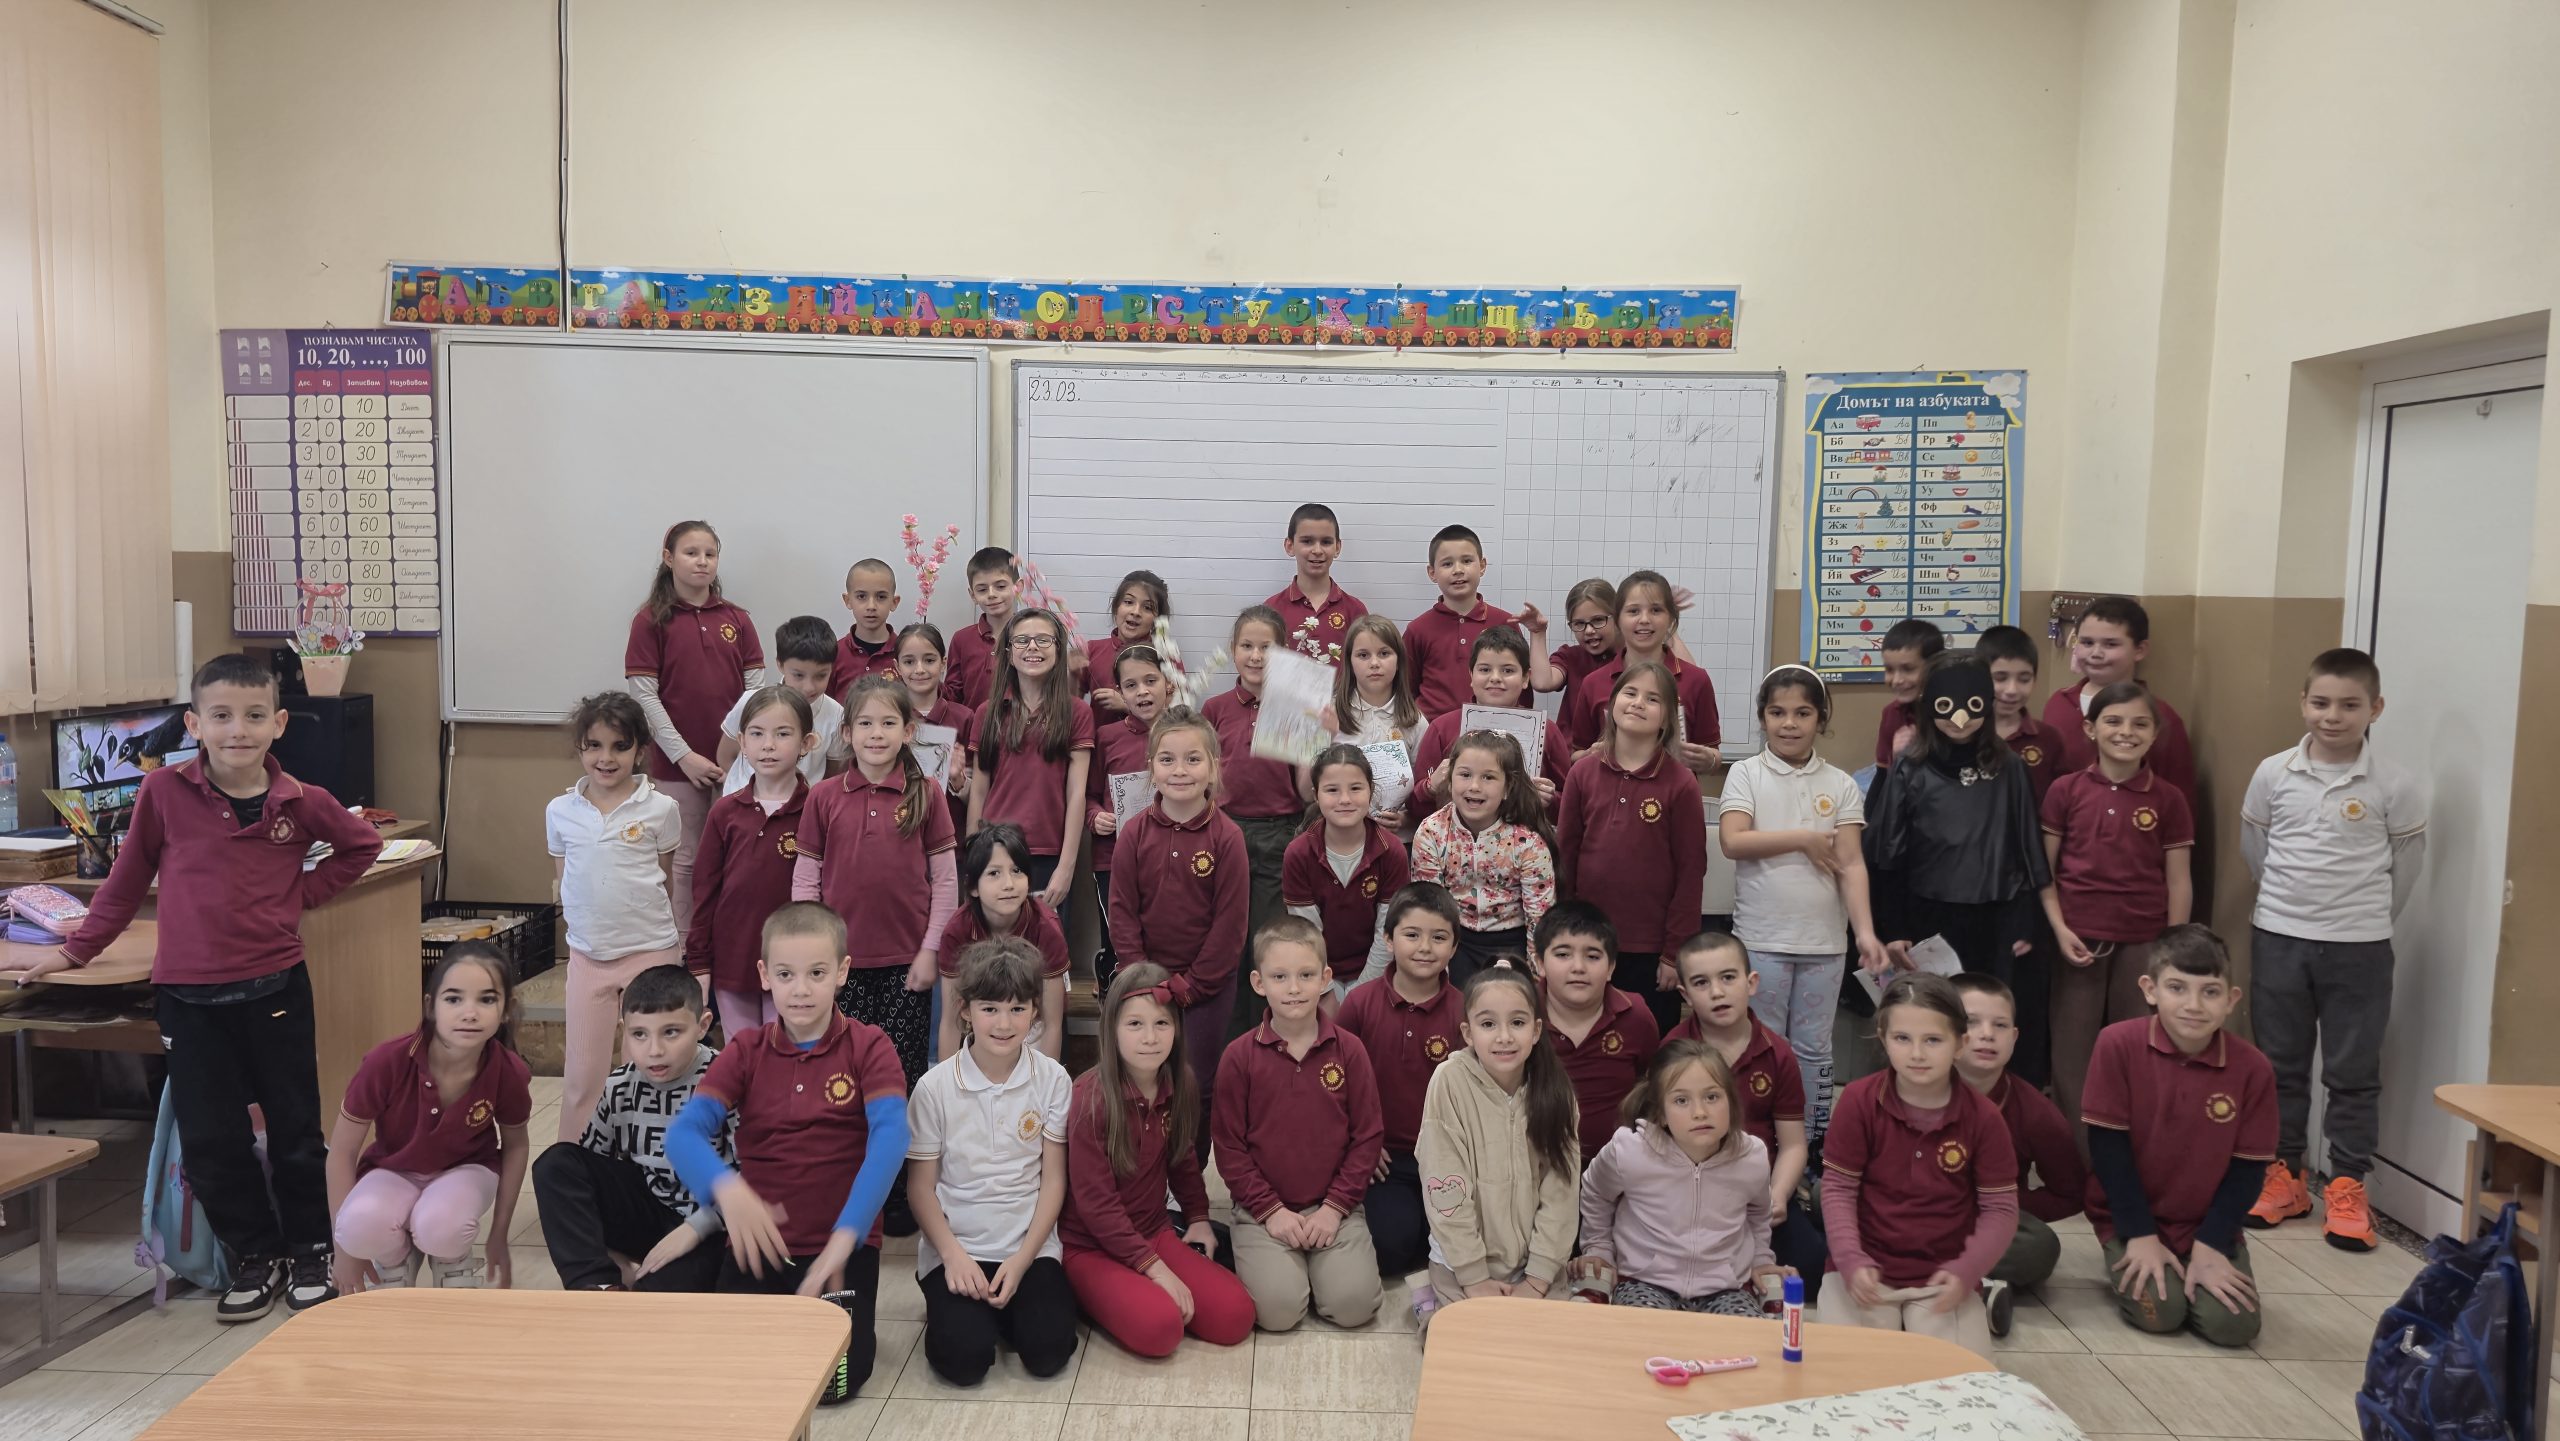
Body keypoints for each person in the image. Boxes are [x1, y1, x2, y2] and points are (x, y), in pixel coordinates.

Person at [17, 653, 384, 1319]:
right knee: (213, 1142)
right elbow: (126, 880)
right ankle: (254, 1254)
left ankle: (311, 1250)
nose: (237, 729)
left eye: (253, 716)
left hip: (275, 988)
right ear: (194, 724)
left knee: (296, 1132)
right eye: (221, 716)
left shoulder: (301, 799)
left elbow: (361, 846)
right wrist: (74, 952)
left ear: (278, 724)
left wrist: (301, 893)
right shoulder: (163, 793)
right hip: (188, 998)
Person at [667, 902, 908, 1407]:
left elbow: (890, 1140)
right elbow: (684, 1134)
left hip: (841, 1249)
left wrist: (847, 1237)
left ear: (842, 971)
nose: (800, 989)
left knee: (835, 1386)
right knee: (731, 1377)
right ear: (764, 975)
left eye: (816, 973)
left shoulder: (870, 1046)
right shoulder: (745, 1050)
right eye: (785, 974)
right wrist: (727, 1189)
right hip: (762, 1245)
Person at [2241, 647, 2425, 1251]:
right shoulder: (2273, 772)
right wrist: (2290, 909)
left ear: (2375, 708)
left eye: (2349, 705)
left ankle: (2347, 1185)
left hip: (2359, 948)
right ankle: (2284, 1175)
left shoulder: (2394, 783)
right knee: (2279, 1066)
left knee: (2352, 1072)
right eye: (2320, 703)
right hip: (2279, 938)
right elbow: (2256, 850)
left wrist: (2360, 918)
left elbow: (2405, 868)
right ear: (2303, 703)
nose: (2333, 716)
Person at [2083, 926, 2275, 1346]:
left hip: (2207, 1222)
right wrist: (2140, 1235)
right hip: (2131, 1218)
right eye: (2177, 988)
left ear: (2231, 999)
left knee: (2233, 1328)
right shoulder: (2116, 1044)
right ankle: (2130, 1254)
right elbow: (2108, 1151)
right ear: (2149, 989)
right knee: (2161, 1315)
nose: (2193, 1005)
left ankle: (2195, 1261)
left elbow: (2248, 1169)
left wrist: (2211, 1244)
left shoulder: (2254, 1068)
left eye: (2210, 992)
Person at [1719, 664, 1883, 1139]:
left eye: (1802, 713)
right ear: (1762, 717)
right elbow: (1733, 841)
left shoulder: (1841, 784)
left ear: (1820, 718)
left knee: (1814, 1049)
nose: (1789, 723)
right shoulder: (1746, 774)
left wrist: (1865, 932)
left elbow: (1851, 863)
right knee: (1763, 1046)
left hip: (1824, 945)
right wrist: (1803, 839)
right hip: (1761, 941)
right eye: (1777, 713)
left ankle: (1811, 1142)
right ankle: (1760, 1140)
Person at [906, 937, 1079, 1387]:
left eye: (1018, 1009)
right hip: (957, 1247)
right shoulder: (934, 1087)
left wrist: (1022, 1261)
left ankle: (1008, 1309)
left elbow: (1053, 1182)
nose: (1004, 1023)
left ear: (1035, 1012)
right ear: (965, 1009)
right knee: (963, 1362)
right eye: (990, 1009)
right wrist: (952, 1256)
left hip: (1028, 1246)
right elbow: (920, 1189)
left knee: (1049, 1353)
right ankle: (970, 1312)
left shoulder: (1053, 1079)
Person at [1818, 973, 2018, 1360]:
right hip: (1863, 1273)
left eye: (1933, 1040)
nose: (1917, 1054)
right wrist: (1850, 1259)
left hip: (1942, 1280)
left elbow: (2001, 1208)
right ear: (1883, 1038)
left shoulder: (1984, 1118)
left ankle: (1982, 1297)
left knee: (1961, 1381)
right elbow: (1838, 1190)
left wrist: (1967, 1270)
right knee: (1845, 1372)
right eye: (1902, 1038)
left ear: (1960, 1044)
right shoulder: (1858, 1100)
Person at [1061, 964, 1256, 1357]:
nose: (1150, 1038)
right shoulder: (1091, 1099)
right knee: (1161, 1329)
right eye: (1135, 1024)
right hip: (1090, 1245)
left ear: (1177, 1029)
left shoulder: (1180, 1082)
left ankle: (1134, 1288)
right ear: (1112, 1029)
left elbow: (1183, 1160)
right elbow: (1097, 1206)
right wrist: (1155, 1268)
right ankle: (1088, 1293)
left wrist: (1198, 1218)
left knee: (1236, 1316)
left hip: (1153, 1230)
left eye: (1161, 1023)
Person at [327, 943, 532, 1293]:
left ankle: (451, 1258)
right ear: (430, 1006)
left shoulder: (508, 1071)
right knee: (358, 1225)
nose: (470, 1013)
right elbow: (342, 1152)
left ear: (506, 1010)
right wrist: (343, 1249)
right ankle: (396, 1260)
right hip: (392, 1169)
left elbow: (516, 1146)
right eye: (453, 999)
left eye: (486, 999)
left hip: (468, 1170)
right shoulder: (386, 1061)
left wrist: (499, 1233)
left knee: (441, 1226)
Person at [1213, 917, 1387, 1331]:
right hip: (1263, 1210)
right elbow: (1230, 1148)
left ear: (1325, 979)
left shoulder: (1350, 1051)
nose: (1294, 988)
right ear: (1259, 983)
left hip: (1334, 1206)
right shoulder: (1238, 1057)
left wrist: (1334, 1209)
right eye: (1280, 977)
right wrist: (1271, 1211)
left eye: (1306, 975)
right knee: (1278, 1312)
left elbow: (1367, 1138)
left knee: (1353, 1307)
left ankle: (1321, 1270)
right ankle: (1273, 1263)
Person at [2040, 681, 2196, 1125]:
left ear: (2154, 734)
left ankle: (2133, 1145)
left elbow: (2179, 881)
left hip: (2144, 942)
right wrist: (2058, 929)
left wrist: (2171, 949)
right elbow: (2044, 873)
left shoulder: (2168, 799)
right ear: (2090, 729)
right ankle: (2076, 1151)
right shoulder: (2065, 790)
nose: (2126, 732)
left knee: (2140, 1044)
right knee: (2072, 1051)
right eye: (2113, 721)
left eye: (2139, 724)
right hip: (2076, 939)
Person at [796, 677, 958, 1099]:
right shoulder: (823, 797)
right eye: (865, 724)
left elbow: (945, 880)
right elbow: (806, 880)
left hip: (907, 964)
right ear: (847, 732)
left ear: (908, 732)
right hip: (840, 964)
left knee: (900, 1075)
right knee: (841, 1074)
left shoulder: (927, 793)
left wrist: (930, 951)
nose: (876, 734)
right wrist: (815, 953)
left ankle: (898, 1145)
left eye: (888, 723)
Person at [532, 964, 729, 1293]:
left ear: (702, 1025)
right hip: (651, 1211)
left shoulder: (728, 1079)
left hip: (713, 1227)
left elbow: (757, 1180)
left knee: (651, 1298)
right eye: (640, 1034)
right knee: (556, 1164)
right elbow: (590, 1167)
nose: (654, 1050)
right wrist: (607, 1251)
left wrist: (695, 1229)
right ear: (624, 1030)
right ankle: (596, 1287)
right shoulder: (621, 1084)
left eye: (671, 1032)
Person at [1414, 964, 1582, 1332]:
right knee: (1471, 1346)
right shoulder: (1449, 1082)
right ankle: (1429, 1304)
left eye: (1517, 1023)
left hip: (1533, 1265)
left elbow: (1562, 1193)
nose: (1504, 1037)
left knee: (1551, 1347)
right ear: (1468, 1032)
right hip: (1461, 1265)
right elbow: (1446, 1188)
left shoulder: (1556, 1091)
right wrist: (1474, 1278)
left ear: (1536, 1030)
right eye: (1488, 1024)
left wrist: (1537, 1279)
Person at [548, 691, 682, 1146]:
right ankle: (577, 1170)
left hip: (651, 954)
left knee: (648, 1070)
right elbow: (564, 879)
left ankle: (646, 1167)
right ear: (580, 747)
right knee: (581, 1077)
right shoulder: (560, 811)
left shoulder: (661, 808)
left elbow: (663, 878)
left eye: (620, 746)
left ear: (639, 750)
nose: (606, 758)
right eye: (594, 746)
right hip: (588, 956)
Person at [1865, 656, 2050, 979]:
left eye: (1972, 705)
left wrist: (2025, 919)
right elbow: (1890, 852)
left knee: (1986, 1002)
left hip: (1995, 916)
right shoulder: (1911, 767)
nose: (1959, 718)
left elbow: (2025, 846)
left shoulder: (2009, 767)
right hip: (1925, 914)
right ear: (1929, 705)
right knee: (1930, 1002)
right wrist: (1894, 926)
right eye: (1946, 705)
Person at [1572, 1041, 1786, 1314]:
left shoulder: (1751, 1156)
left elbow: (1758, 1212)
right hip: (1644, 1281)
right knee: (1644, 1336)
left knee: (1745, 1339)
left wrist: (1761, 1258)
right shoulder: (1630, 1151)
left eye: (1712, 1097)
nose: (1700, 1112)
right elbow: (1595, 1191)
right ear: (1661, 1114)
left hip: (1727, 1287)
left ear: (1731, 1102)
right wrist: (1599, 1248)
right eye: (1681, 1101)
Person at [1108, 709, 1250, 1110]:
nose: (1180, 770)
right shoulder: (1133, 833)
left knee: (1195, 1084)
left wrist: (1192, 986)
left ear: (1213, 767)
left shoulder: (1228, 837)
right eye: (1167, 759)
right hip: (1146, 986)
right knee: (1144, 1079)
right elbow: (1122, 913)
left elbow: (1230, 925)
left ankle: (1192, 1153)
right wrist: (1142, 978)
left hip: (1207, 989)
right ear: (1151, 767)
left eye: (1193, 759)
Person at [1663, 932, 1822, 1293]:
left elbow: (1793, 1144)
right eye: (1701, 983)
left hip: (1757, 1194)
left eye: (1728, 977)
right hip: (1692, 1192)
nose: (1717, 992)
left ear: (1751, 983)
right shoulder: (1672, 1050)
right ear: (1686, 995)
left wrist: (1777, 1195)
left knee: (1812, 1266)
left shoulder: (1777, 1053)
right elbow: (1661, 1140)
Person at [625, 519, 762, 933]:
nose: (702, 561)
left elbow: (755, 695)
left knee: (736, 856)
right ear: (669, 558)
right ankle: (687, 947)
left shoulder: (737, 618)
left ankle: (727, 942)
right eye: (691, 553)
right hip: (677, 767)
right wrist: (684, 757)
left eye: (710, 554)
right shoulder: (650, 621)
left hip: (738, 764)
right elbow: (645, 697)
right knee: (684, 860)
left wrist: (738, 753)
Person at [1556, 659, 1707, 1031]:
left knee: (1648, 1042)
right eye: (1630, 693)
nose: (1639, 703)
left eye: (1653, 699)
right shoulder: (1582, 773)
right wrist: (1563, 933)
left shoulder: (1681, 783)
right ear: (1611, 705)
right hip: (1588, 941)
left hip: (1651, 949)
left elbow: (1691, 873)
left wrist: (1673, 954)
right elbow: (1565, 858)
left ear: (1668, 718)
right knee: (1589, 1036)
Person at [1336, 883, 1466, 1278]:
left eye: (1438, 937)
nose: (1425, 947)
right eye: (1412, 935)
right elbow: (1336, 1085)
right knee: (1390, 1249)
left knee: (1455, 1244)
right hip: (1383, 1159)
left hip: (1445, 1159)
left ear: (1454, 947)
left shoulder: (1465, 1010)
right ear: (1388, 939)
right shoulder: (1359, 1003)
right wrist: (1361, 1143)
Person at [1951, 972, 2083, 1338]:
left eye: (2000, 1025)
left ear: (2014, 1037)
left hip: (1986, 1223)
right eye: (1971, 1022)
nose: (1987, 1034)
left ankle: (1912, 1273)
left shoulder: (2036, 1112)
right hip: (1911, 1211)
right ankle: (1977, 1285)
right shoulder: (1910, 1087)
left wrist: (2002, 1204)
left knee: (2039, 1247)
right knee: (1826, 1200)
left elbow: (2071, 1193)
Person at [687, 684, 812, 1040]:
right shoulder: (724, 812)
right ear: (741, 742)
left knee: (786, 1053)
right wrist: (699, 962)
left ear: (806, 743)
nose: (768, 745)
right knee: (742, 1054)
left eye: (782, 734)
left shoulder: (818, 810)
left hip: (795, 964)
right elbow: (705, 891)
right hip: (733, 960)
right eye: (757, 734)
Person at [1203, 605, 1300, 1035]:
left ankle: (1265, 1037)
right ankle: (1228, 1043)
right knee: (1228, 939)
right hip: (1225, 832)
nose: (1257, 656)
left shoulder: (1294, 707)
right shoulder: (1215, 708)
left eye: (1268, 647)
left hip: (1281, 835)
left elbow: (1306, 790)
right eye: (1247, 646)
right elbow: (1204, 777)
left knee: (1266, 941)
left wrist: (1315, 735)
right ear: (1233, 650)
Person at [967, 608, 1094, 919]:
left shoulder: (1077, 713)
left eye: (1043, 640)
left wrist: (1066, 867)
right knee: (994, 945)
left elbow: (1076, 793)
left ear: (1058, 650)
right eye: (1022, 640)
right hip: (994, 850)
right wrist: (973, 856)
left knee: (1046, 945)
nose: (1032, 647)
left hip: (1049, 854)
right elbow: (979, 791)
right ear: (1009, 653)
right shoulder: (987, 713)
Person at [1409, 731, 1556, 988]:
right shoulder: (1431, 832)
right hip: (1453, 940)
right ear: (1449, 780)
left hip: (1511, 941)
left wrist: (1534, 980)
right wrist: (1436, 976)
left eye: (1488, 777)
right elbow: (1429, 907)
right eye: (1465, 775)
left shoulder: (1527, 841)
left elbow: (1539, 919)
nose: (1474, 786)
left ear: (1508, 788)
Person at [1560, 570, 1720, 773]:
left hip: (1674, 791)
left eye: (1656, 610)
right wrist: (1590, 755)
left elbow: (1713, 753)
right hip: (1608, 791)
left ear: (1671, 618)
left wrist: (1709, 760)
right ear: (1617, 619)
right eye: (1633, 611)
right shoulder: (1593, 683)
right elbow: (1577, 753)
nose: (1644, 619)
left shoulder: (1696, 680)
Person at [1283, 745, 1411, 1000]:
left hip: (1377, 972)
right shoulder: (1298, 853)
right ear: (1316, 795)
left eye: (1355, 788)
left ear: (1371, 791)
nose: (1345, 799)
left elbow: (1387, 933)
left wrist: (1359, 995)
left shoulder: (1391, 851)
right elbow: (1307, 934)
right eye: (1332, 790)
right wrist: (1326, 991)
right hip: (1316, 972)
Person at [1536, 902, 1660, 1164]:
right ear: (1540, 964)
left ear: (1611, 967)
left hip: (1619, 1167)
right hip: (1537, 1167)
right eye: (1563, 954)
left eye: (1593, 956)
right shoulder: (1520, 1016)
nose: (1578, 967)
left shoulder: (1636, 1016)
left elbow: (1648, 1084)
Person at [934, 824, 1071, 1058]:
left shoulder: (1046, 928)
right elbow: (951, 1022)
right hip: (979, 1020)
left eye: (1017, 871)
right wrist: (947, 1080)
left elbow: (1051, 1024)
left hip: (1033, 1022)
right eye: (994, 873)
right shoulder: (957, 931)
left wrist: (1048, 1079)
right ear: (973, 887)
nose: (1009, 884)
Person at [2040, 595, 2195, 803]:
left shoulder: (2162, 717)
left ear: (2139, 650)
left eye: (2110, 644)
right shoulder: (2058, 705)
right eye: (2087, 642)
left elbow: (2180, 800)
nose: (2096, 653)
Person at [1410, 626, 1577, 812]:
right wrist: (1430, 787)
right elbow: (1414, 805)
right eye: (1485, 669)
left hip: (1526, 828)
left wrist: (1551, 800)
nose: (1495, 678)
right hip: (1454, 830)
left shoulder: (1547, 731)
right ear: (1471, 675)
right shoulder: (1442, 728)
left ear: (1525, 678)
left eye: (1507, 670)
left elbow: (1571, 802)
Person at [1087, 643, 1172, 993]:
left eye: (1151, 680)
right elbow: (1089, 795)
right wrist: (1095, 817)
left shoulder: (1185, 734)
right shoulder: (1107, 737)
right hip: (1113, 859)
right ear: (1120, 692)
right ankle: (1114, 1003)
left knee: (1164, 942)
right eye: (1131, 685)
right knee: (1121, 945)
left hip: (1171, 857)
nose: (1143, 692)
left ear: (1168, 684)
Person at [713, 615, 843, 793]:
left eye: (821, 676)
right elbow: (725, 756)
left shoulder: (836, 714)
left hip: (801, 807)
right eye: (798, 675)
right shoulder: (750, 702)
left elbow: (833, 775)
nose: (809, 687)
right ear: (780, 665)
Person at [1402, 524, 1519, 716]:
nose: (1458, 570)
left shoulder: (1506, 623)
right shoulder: (1418, 629)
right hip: (1432, 728)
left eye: (1466, 561)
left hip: (1493, 729)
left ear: (1482, 566)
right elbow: (1405, 690)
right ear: (1432, 573)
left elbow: (1520, 689)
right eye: (1447, 564)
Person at [1331, 614, 1426, 813]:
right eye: (1363, 655)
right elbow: (1311, 788)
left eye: (1384, 653)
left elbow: (1422, 786)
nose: (1374, 663)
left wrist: (1407, 818)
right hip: (1341, 824)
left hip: (1397, 829)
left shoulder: (1415, 721)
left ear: (1399, 661)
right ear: (1350, 662)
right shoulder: (1330, 713)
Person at [895, 621, 977, 837]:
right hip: (896, 835)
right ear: (897, 667)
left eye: (929, 660)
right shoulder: (889, 719)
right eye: (909, 662)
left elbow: (980, 797)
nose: (919, 669)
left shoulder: (965, 718)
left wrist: (958, 779)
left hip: (950, 837)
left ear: (943, 663)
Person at [1974, 625, 2064, 800]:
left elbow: (2061, 800)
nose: (2012, 690)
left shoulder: (2050, 739)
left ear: (2034, 681)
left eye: (2024, 679)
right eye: (2000, 678)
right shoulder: (1962, 734)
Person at [1269, 502, 1368, 645]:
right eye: (1307, 541)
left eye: (1326, 542)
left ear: (1337, 547)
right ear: (1290, 546)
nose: (1317, 550)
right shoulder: (1272, 610)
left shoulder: (1355, 610)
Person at [943, 546, 1020, 711]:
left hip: (1019, 725)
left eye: (1000, 586)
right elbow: (953, 695)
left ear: (1017, 587)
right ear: (973, 595)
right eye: (982, 589)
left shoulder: (1029, 638)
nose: (991, 594)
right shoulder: (962, 639)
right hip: (971, 725)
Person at [1085, 569, 1169, 712]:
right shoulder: (1092, 650)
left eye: (1147, 607)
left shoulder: (1166, 656)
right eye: (1129, 602)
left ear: (1158, 619)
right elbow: (1072, 706)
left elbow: (1179, 713)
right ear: (1116, 606)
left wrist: (1127, 706)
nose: (1136, 612)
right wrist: (1073, 676)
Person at [1526, 576, 1619, 699]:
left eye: (1598, 620)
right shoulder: (1571, 657)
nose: (1589, 630)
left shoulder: (1630, 659)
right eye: (1579, 623)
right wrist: (1537, 633)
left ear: (1617, 617)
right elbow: (1542, 683)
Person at [1871, 619, 1945, 768]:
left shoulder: (1957, 711)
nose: (1897, 680)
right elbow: (1882, 774)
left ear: (1936, 667)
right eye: (1889, 669)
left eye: (1908, 669)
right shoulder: (1891, 714)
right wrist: (1898, 758)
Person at [833, 558, 905, 696]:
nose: (871, 606)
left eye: (881, 597)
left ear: (894, 602)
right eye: (861, 596)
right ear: (848, 600)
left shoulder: (905, 653)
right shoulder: (834, 654)